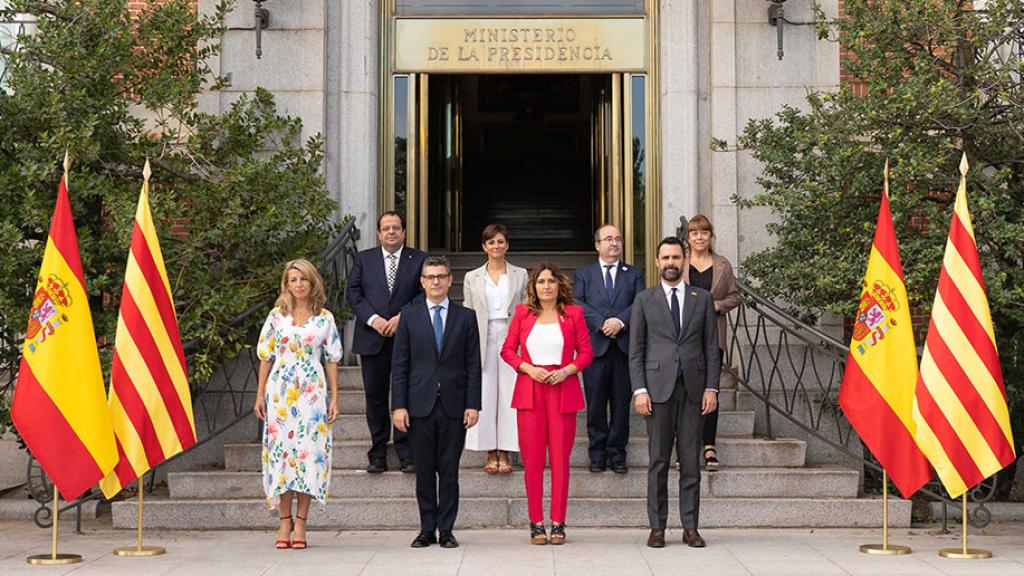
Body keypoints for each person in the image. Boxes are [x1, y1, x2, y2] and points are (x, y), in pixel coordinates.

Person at [629, 237, 720, 549]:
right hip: (657, 391)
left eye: (676, 257)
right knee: (658, 461)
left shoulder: (703, 299)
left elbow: (711, 348)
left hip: (694, 390)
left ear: (684, 261)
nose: (671, 263)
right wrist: (640, 390)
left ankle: (690, 527)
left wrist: (712, 387)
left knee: (691, 463)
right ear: (657, 262)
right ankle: (657, 527)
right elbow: (636, 350)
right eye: (665, 257)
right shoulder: (643, 300)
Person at [391, 256, 482, 549]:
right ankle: (426, 529)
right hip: (419, 405)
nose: (436, 282)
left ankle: (447, 530)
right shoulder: (410, 316)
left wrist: (473, 404)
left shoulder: (466, 317)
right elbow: (400, 365)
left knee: (450, 471)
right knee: (424, 471)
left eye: (441, 276)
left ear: (450, 279)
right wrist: (399, 405)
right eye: (430, 277)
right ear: (422, 282)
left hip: (454, 405)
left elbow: (473, 363)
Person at [501, 264, 593, 545]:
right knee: (532, 461)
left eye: (551, 281)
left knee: (560, 462)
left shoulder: (573, 314)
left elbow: (587, 352)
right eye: (541, 281)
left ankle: (558, 522)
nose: (546, 286)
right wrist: (527, 368)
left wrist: (568, 370)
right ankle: (536, 523)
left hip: (562, 389)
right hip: (531, 390)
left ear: (559, 285)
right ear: (534, 287)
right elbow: (507, 350)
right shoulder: (522, 313)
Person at [254, 259, 342, 550]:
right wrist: (259, 394)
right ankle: (283, 520)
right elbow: (266, 357)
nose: (299, 285)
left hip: (312, 395)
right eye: (293, 280)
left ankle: (302, 522)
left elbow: (331, 359)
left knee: (309, 456)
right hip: (280, 393)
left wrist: (335, 397)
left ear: (312, 282)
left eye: (303, 279)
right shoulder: (276, 317)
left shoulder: (324, 318)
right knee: (282, 455)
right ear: (286, 284)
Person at [346, 211, 427, 473]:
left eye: (396, 228)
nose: (391, 232)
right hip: (372, 337)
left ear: (404, 231)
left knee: (406, 395)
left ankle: (407, 452)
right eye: (386, 228)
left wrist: (402, 318)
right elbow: (354, 293)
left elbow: (423, 294)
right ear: (379, 233)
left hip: (407, 337)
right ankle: (377, 453)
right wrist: (374, 320)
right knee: (376, 397)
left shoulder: (419, 259)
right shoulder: (363, 259)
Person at [573, 224, 645, 473]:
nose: (614, 243)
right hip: (595, 347)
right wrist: (602, 323)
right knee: (595, 405)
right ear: (597, 245)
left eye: (618, 239)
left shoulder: (634, 273)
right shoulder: (584, 274)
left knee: (620, 404)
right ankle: (597, 453)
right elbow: (577, 302)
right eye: (608, 239)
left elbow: (640, 301)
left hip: (624, 348)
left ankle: (617, 454)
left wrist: (620, 321)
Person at [462, 224, 528, 474]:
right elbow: (468, 312)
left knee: (511, 393)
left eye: (500, 242)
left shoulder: (520, 274)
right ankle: (490, 451)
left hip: (512, 335)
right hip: (483, 335)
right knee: (486, 392)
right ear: (484, 247)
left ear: (507, 245)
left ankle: (507, 451)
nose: (496, 246)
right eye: (491, 242)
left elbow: (526, 308)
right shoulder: (472, 277)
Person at [682, 215, 741, 472]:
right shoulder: (679, 263)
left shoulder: (722, 265)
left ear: (710, 236)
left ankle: (709, 445)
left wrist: (719, 305)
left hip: (712, 336)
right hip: (683, 338)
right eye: (694, 233)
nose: (699, 237)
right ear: (688, 237)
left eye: (704, 232)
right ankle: (684, 445)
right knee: (684, 393)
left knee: (710, 391)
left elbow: (735, 296)